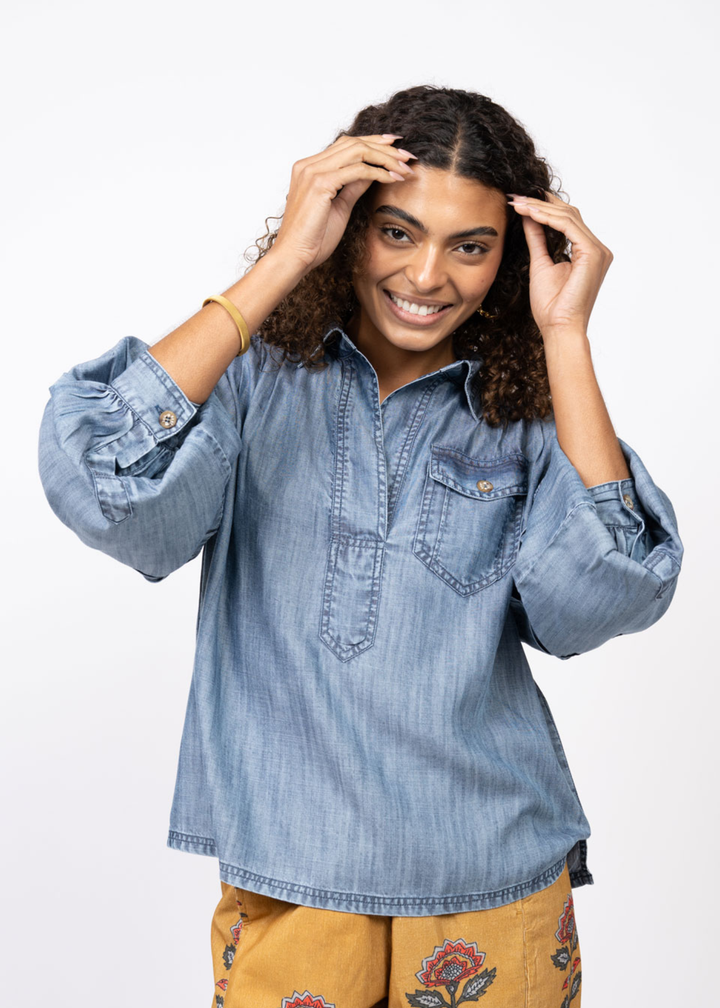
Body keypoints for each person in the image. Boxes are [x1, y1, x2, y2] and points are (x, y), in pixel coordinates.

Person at [38, 85, 683, 1007]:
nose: (427, 275)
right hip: (289, 872)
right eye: (396, 232)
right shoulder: (255, 381)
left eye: (470, 246)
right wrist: (284, 260)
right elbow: (103, 486)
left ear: (508, 258)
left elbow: (604, 600)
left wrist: (566, 335)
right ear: (346, 226)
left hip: (492, 875)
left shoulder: (528, 416)